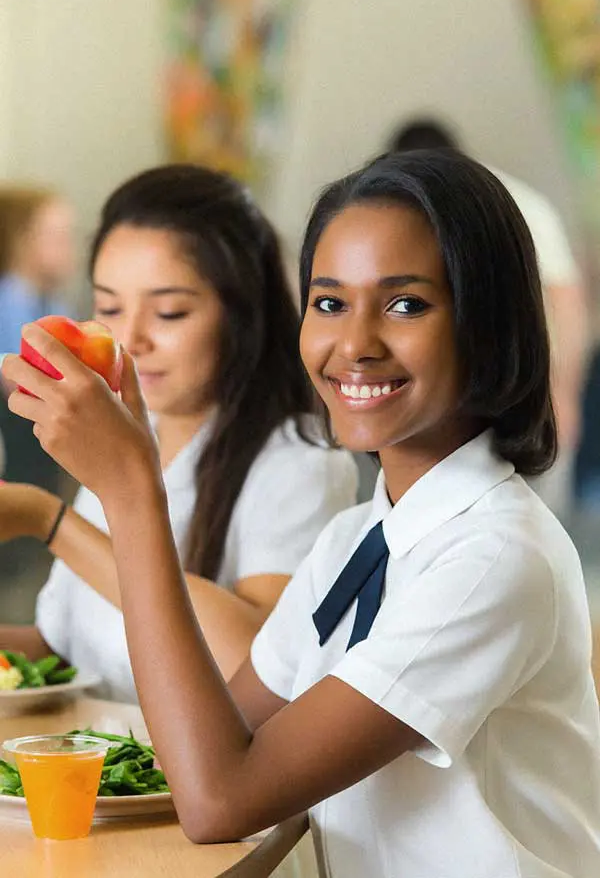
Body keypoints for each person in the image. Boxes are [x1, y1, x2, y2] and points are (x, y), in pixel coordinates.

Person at [3, 150, 600, 877]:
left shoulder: (495, 559)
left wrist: (132, 494)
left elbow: (220, 798)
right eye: (328, 302)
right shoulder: (358, 540)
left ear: (490, 322)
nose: (354, 344)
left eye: (406, 304)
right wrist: (128, 472)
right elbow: (211, 734)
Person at [0, 164, 358, 701]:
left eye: (169, 312)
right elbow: (66, 650)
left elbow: (258, 662)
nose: (130, 337)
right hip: (87, 768)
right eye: (109, 307)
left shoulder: (301, 461)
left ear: (242, 314)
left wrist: (51, 521)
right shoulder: (130, 430)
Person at [388, 118, 589, 520]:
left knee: (530, 524)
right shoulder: (403, 209)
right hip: (461, 403)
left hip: (525, 393)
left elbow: (568, 305)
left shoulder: (519, 205)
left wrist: (564, 393)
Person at [0, 186, 76, 495]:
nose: (70, 248)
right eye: (58, 237)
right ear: (23, 241)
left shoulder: (55, 303)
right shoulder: (9, 300)